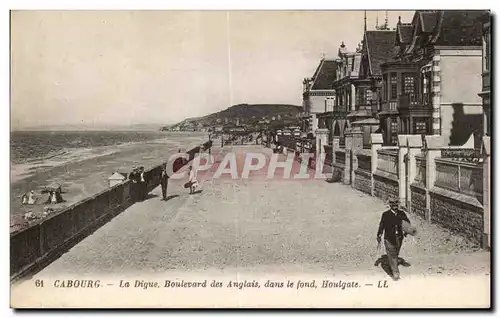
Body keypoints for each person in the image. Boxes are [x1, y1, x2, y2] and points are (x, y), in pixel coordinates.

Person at [376, 199, 411, 281]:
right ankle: (395, 273)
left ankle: (391, 264)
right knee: (392, 255)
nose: (395, 205)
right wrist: (379, 234)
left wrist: (407, 230)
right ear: (390, 205)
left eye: (396, 204)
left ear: (398, 205)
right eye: (392, 204)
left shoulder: (401, 213)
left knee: (395, 253)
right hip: (389, 238)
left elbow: (407, 222)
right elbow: (382, 225)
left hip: (399, 237)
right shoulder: (385, 214)